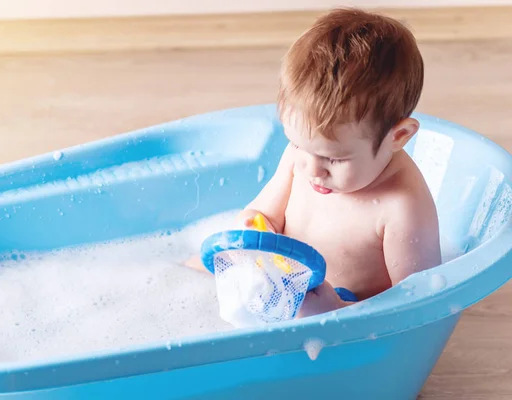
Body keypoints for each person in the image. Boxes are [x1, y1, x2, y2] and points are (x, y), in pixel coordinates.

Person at [188, 8, 442, 317]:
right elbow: (264, 213)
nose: (312, 168)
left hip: (351, 320)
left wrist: (337, 310)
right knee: (190, 271)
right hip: (276, 287)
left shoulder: (402, 207)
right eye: (297, 143)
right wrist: (254, 227)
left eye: (334, 158)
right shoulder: (303, 158)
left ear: (398, 136)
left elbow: (419, 304)